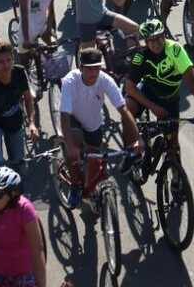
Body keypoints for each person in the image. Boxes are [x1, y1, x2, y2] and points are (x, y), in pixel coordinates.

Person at [58, 47, 143, 209]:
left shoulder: (105, 80)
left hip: (93, 124)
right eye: (89, 69)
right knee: (74, 149)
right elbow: (64, 115)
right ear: (81, 67)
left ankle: (89, 190)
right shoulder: (70, 81)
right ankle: (75, 186)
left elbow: (123, 111)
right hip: (73, 120)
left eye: (97, 68)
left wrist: (137, 139)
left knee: (94, 161)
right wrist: (69, 146)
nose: (93, 73)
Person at [124, 20, 194, 137]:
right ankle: (130, 146)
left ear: (164, 36)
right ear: (146, 41)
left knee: (172, 144)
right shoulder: (140, 56)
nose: (156, 43)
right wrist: (153, 107)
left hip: (170, 98)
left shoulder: (175, 50)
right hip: (148, 92)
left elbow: (192, 81)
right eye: (151, 40)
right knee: (129, 106)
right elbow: (129, 88)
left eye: (158, 38)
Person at [0, 42, 39, 171]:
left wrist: (32, 123)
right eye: (1, 62)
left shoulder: (20, 72)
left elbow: (28, 99)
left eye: (9, 60)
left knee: (19, 164)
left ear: (13, 59)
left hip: (14, 121)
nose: (6, 65)